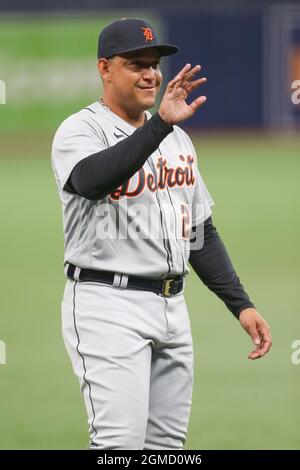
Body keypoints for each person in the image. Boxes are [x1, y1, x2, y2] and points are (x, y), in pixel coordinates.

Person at [51, 18, 272, 450]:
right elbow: (92, 180)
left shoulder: (176, 140)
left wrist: (241, 305)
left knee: (166, 450)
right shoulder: (80, 131)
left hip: (173, 309)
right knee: (119, 447)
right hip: (107, 306)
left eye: (154, 64)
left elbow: (198, 231)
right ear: (105, 68)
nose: (151, 74)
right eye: (137, 63)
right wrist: (160, 127)